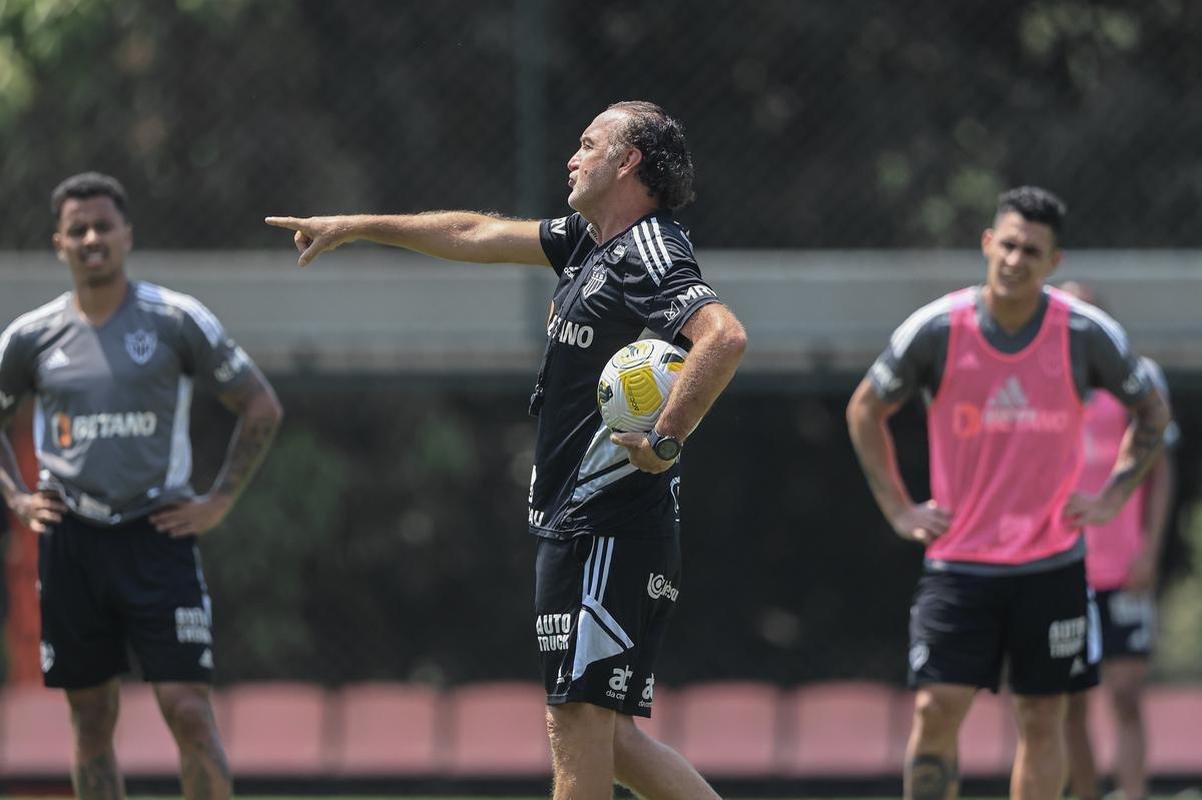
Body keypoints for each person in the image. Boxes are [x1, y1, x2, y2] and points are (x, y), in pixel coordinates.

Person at [267, 100, 746, 800]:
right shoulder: (589, 241)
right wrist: (356, 227)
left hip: (610, 525)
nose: (571, 158)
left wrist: (666, 438)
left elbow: (723, 336)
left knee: (577, 722)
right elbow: (476, 230)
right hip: (576, 526)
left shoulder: (650, 247)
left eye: (588, 145)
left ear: (628, 161)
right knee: (610, 740)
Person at [845, 186, 1171, 800]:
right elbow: (865, 409)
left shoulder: (1084, 333)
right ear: (988, 244)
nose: (1017, 260)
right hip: (959, 564)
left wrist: (1111, 499)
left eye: (1033, 251)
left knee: (1042, 718)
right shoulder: (938, 329)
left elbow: (1151, 414)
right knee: (934, 708)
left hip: (1051, 565)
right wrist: (898, 507)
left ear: (1054, 263)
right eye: (1009, 244)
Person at [0, 172, 283, 800]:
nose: (92, 238)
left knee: (188, 710)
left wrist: (218, 501)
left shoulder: (175, 320)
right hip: (71, 540)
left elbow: (260, 406)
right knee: (91, 718)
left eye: (104, 225)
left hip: (158, 534)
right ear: (59, 243)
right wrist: (17, 495)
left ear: (128, 234)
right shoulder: (30, 336)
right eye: (78, 230)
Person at [1059, 282, 1178, 800]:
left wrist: (1150, 548)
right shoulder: (1042, 380)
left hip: (1124, 567)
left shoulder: (1139, 379)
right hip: (1062, 568)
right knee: (1070, 701)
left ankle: (1133, 793)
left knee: (1126, 695)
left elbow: (1162, 469)